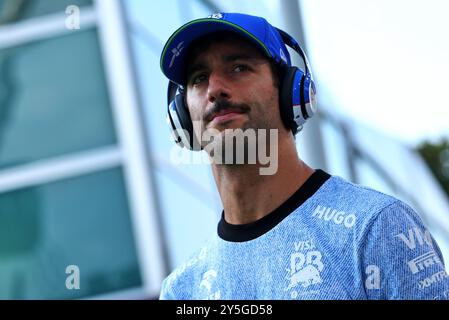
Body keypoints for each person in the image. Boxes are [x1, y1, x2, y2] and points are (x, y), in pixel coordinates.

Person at [158, 12, 449, 299]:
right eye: (199, 78)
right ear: (181, 117)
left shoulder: (376, 228)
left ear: (292, 92)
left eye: (238, 68)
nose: (215, 89)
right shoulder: (182, 289)